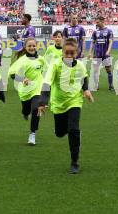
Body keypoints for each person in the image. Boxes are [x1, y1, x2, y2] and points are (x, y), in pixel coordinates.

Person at [38, 38, 94, 174]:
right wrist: (43, 102)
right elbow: (47, 83)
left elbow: (83, 77)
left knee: (73, 130)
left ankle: (74, 162)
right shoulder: (55, 65)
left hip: (75, 101)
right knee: (60, 133)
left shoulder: (80, 65)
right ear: (62, 52)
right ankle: (65, 130)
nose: (69, 56)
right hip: (58, 103)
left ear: (77, 53)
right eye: (66, 53)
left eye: (72, 53)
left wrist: (86, 90)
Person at [8, 37, 45, 145]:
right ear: (25, 47)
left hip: (37, 89)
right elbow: (12, 74)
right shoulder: (21, 60)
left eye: (34, 45)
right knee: (26, 110)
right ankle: (25, 113)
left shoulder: (41, 59)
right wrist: (22, 79)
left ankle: (32, 134)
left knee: (36, 109)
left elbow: (42, 72)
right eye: (29, 46)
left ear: (36, 46)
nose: (32, 47)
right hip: (25, 91)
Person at [88, 16, 114, 91]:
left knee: (108, 70)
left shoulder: (109, 31)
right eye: (96, 22)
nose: (96, 23)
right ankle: (96, 86)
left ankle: (110, 85)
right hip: (97, 54)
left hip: (106, 54)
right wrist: (90, 53)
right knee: (95, 70)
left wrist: (108, 51)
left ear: (102, 21)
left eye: (98, 22)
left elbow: (110, 42)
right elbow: (92, 43)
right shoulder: (95, 32)